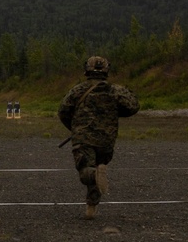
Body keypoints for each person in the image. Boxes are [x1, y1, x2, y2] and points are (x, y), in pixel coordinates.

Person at [58, 56, 139, 219]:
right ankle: (91, 208)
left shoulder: (78, 90)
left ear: (87, 70)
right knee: (97, 169)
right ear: (106, 70)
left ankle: (95, 176)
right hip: (106, 141)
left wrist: (75, 128)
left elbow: (63, 111)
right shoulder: (115, 90)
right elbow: (132, 107)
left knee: (86, 172)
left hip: (84, 139)